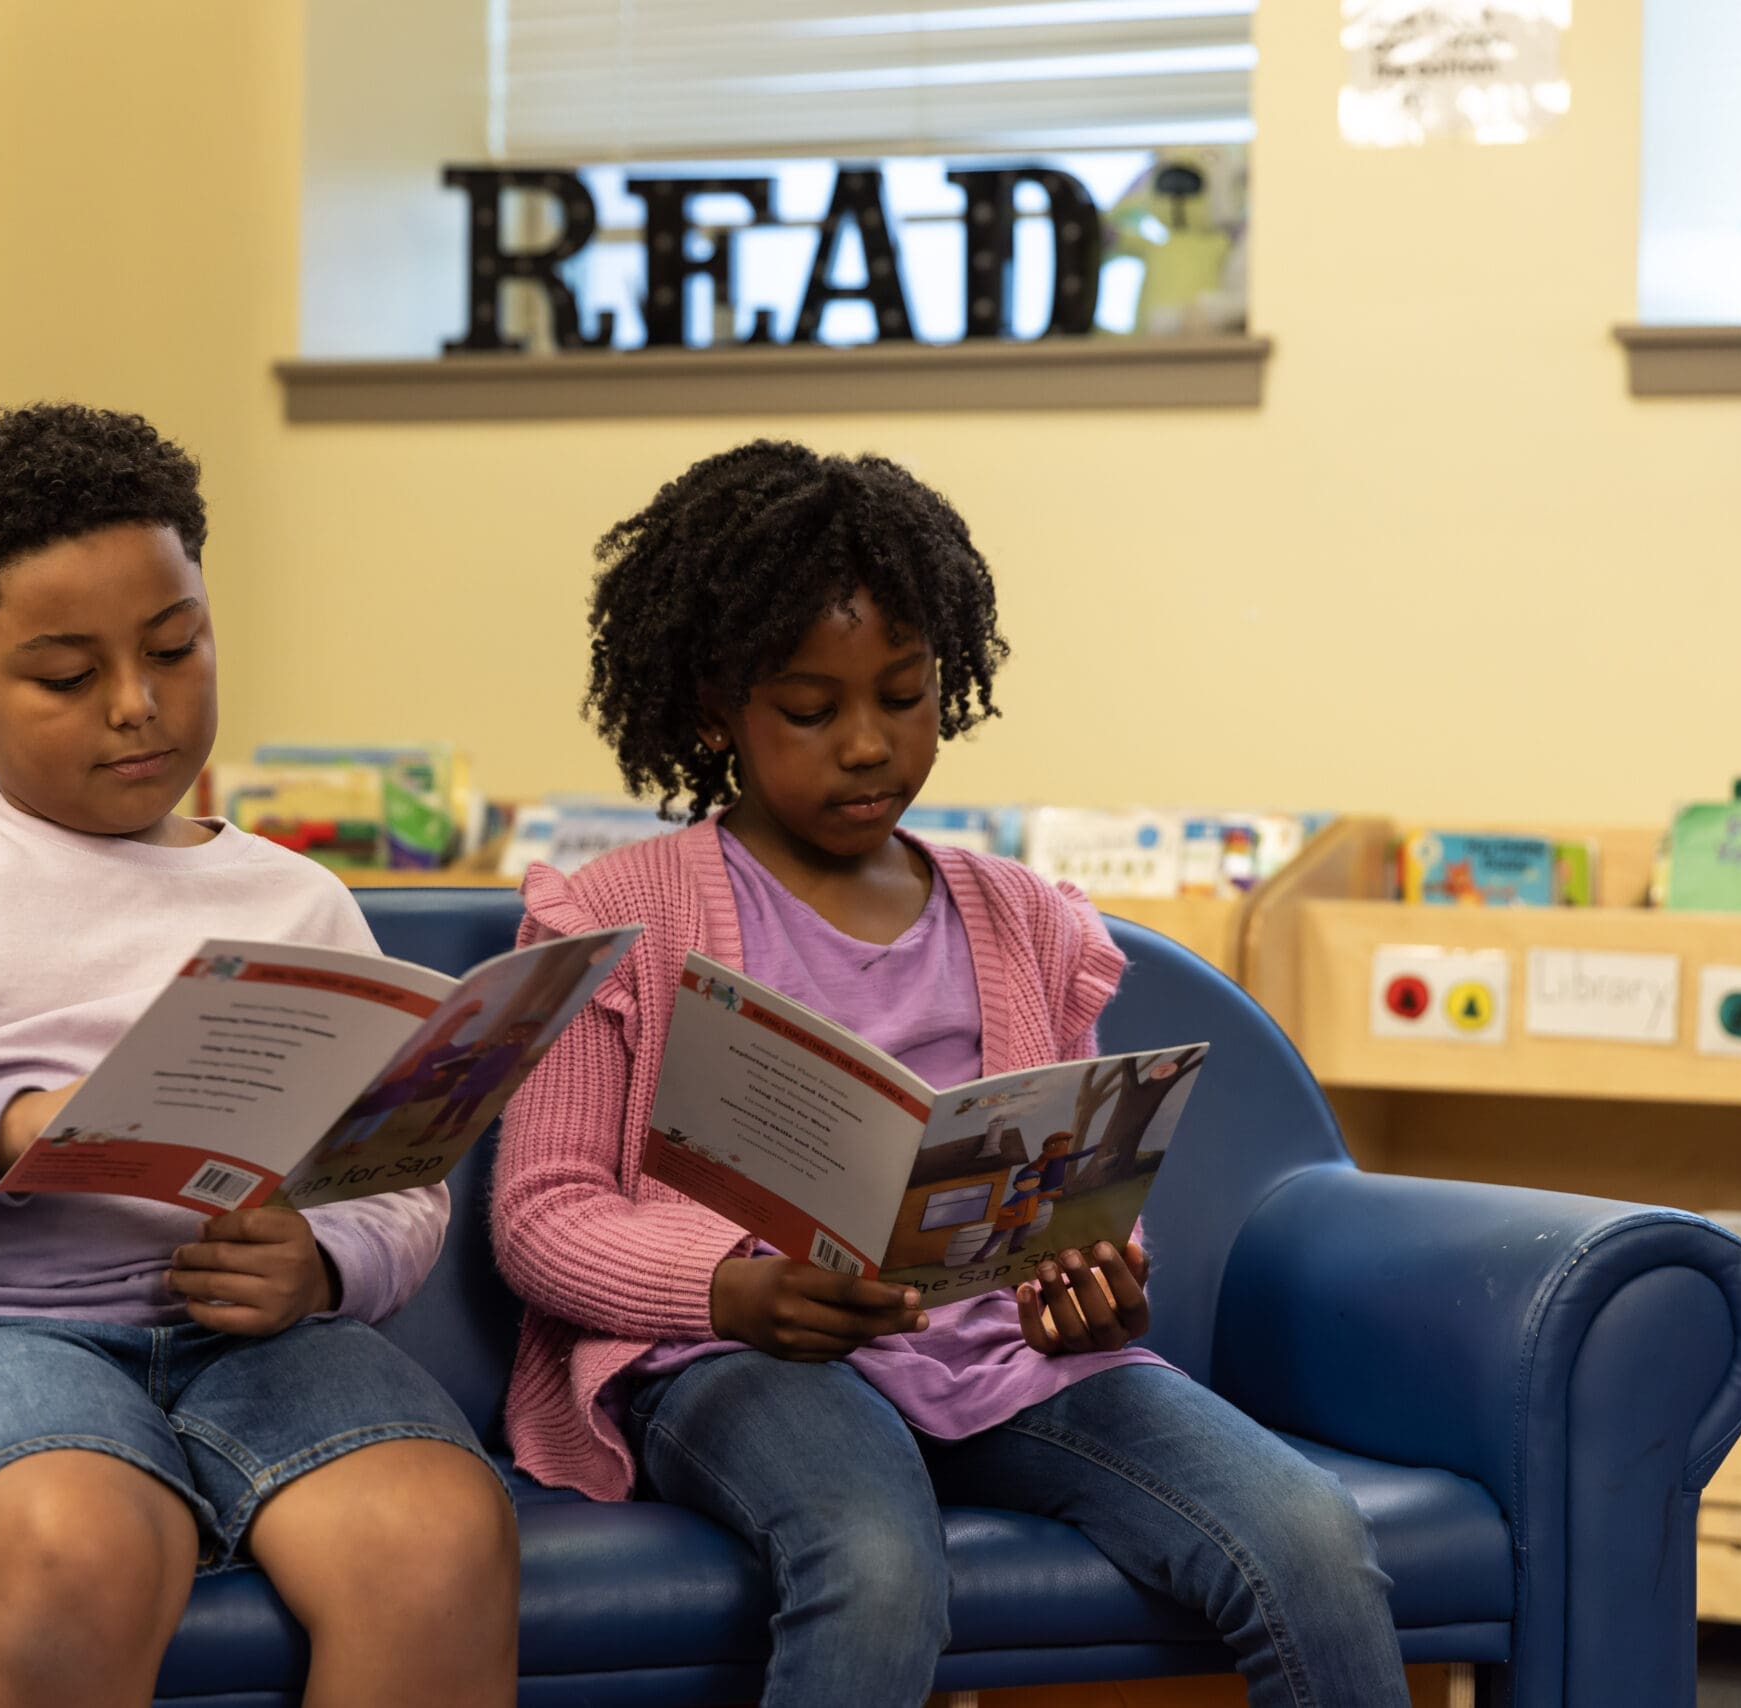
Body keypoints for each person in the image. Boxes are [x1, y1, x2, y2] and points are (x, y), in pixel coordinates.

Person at [491, 440, 1409, 1708]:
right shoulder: (618, 915)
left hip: (1006, 1356)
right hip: (740, 1357)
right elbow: (542, 1217)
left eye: (906, 694)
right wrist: (733, 1291)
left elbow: (1073, 1186)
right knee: (871, 1559)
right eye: (810, 710)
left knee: (1308, 1534)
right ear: (715, 708)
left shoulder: (1029, 920)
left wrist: (1095, 1279)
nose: (866, 745)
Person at [0, 404, 516, 1708]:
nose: (139, 708)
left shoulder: (297, 900)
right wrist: (23, 1126)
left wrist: (319, 1264)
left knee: (438, 1542)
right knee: (83, 1549)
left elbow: (393, 1181)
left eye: (176, 647)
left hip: (254, 1342)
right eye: (67, 677)